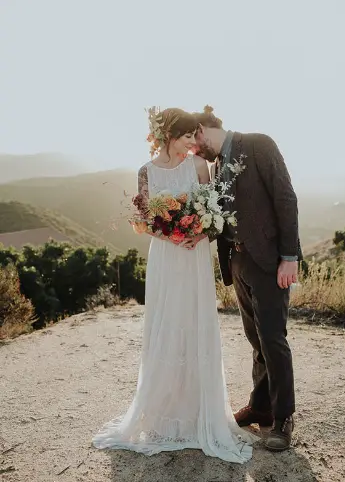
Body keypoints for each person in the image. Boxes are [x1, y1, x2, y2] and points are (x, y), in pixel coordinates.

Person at [92, 107, 257, 463]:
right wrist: (170, 233)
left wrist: (197, 234)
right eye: (186, 138)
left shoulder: (199, 167)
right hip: (166, 257)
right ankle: (165, 409)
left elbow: (215, 215)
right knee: (168, 324)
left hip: (194, 255)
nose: (191, 145)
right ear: (170, 136)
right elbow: (143, 221)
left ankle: (199, 411)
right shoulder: (145, 172)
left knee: (195, 323)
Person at [193, 105, 302, 452]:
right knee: (255, 338)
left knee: (273, 339)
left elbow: (286, 198)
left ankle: (284, 418)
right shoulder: (216, 166)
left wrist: (289, 257)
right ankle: (260, 406)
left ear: (202, 129)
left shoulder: (258, 145)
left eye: (195, 142)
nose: (195, 150)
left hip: (270, 261)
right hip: (237, 260)